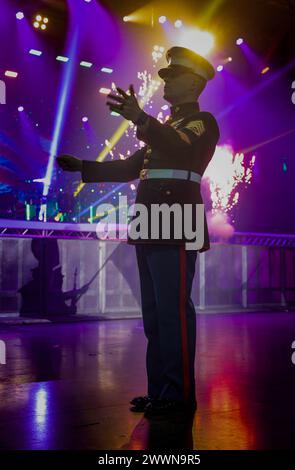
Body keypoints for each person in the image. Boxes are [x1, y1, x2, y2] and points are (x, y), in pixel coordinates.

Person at [56, 46, 220, 418]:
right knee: (154, 314)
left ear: (193, 83)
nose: (165, 81)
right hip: (151, 222)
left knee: (173, 313)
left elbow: (176, 146)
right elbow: (132, 167)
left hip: (177, 222)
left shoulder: (201, 122)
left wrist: (140, 118)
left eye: (173, 76)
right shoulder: (165, 126)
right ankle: (160, 391)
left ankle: (178, 396)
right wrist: (83, 166)